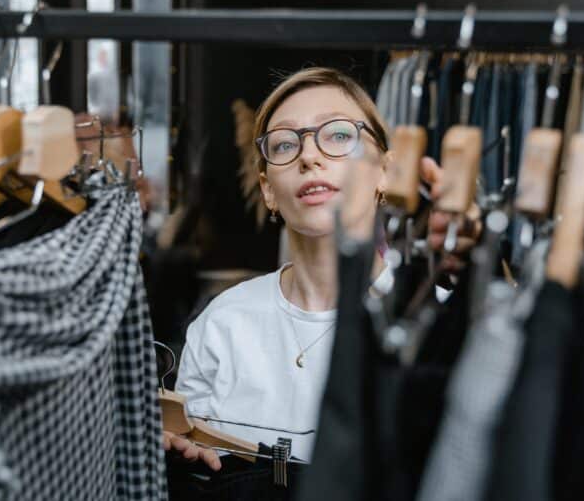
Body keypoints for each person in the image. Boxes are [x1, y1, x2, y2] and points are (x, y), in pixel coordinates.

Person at [165, 67, 479, 470]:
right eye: (283, 145)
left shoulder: (431, 322)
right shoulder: (223, 323)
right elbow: (197, 454)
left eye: (339, 135)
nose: (309, 156)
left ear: (384, 171)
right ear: (267, 190)